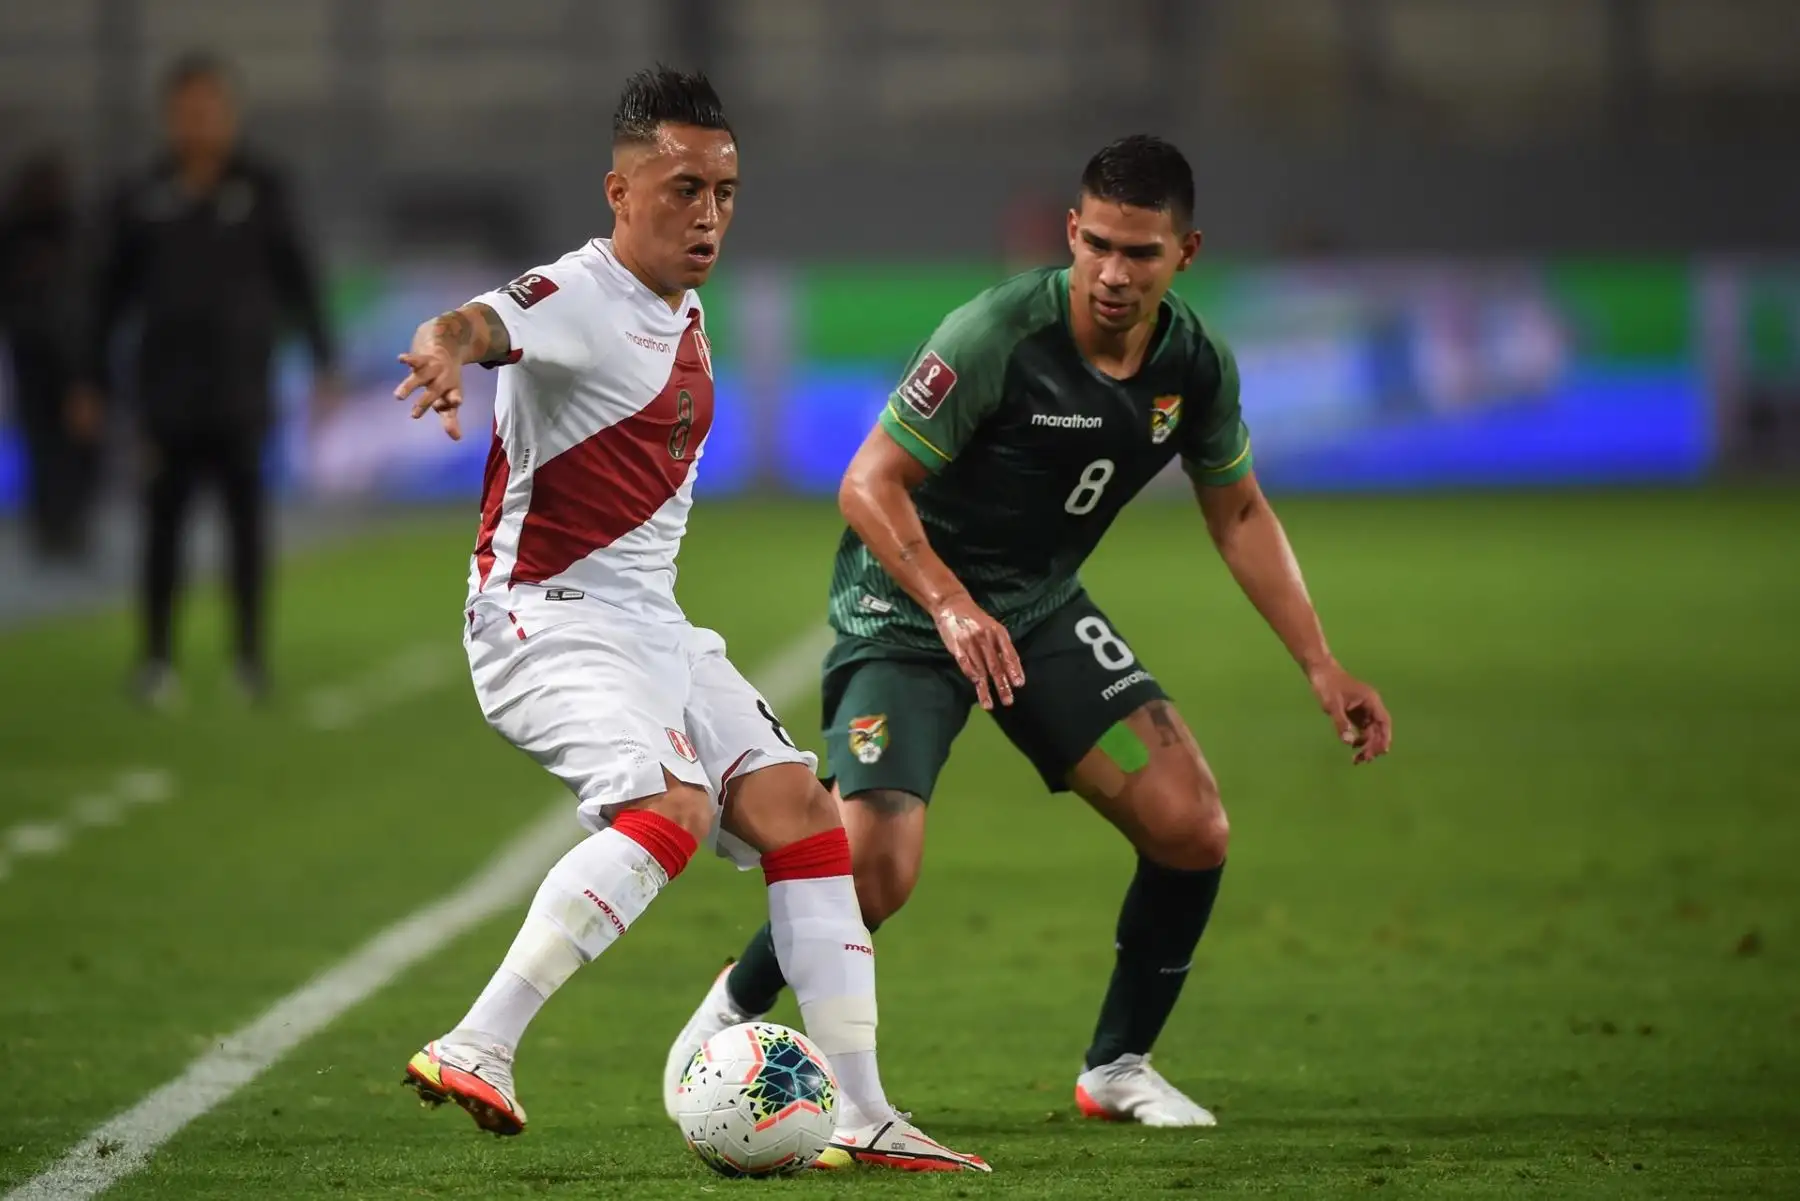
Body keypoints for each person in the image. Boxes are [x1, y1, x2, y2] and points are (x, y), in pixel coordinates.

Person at [665, 135, 1394, 1128]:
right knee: (874, 869)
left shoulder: (1193, 365)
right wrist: (950, 603)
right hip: (907, 609)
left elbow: (1240, 512)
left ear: (1187, 252)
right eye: (1097, 244)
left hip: (1039, 610)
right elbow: (867, 481)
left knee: (1191, 823)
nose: (1113, 272)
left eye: (1140, 252)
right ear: (1071, 234)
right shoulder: (996, 334)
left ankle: (1118, 1065)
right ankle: (730, 1007)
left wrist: (1322, 662)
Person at [391, 67, 986, 1173]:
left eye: (724, 190)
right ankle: (478, 1041)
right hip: (543, 616)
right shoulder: (576, 292)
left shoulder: (687, 305)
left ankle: (862, 1111)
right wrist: (442, 345)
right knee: (667, 807)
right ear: (619, 193)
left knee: (806, 813)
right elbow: (479, 320)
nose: (707, 211)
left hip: (649, 622)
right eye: (681, 189)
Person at [78, 53, 337, 706]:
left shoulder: (262, 189)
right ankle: (156, 661)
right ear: (170, 118)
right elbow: (106, 296)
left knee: (246, 531)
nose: (198, 123)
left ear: (230, 114)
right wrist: (89, 380)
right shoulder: (142, 196)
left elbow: (298, 280)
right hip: (164, 395)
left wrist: (324, 360)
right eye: (186, 111)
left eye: (209, 109)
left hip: (242, 392)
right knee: (161, 530)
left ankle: (248, 659)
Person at [0, 149, 93, 561]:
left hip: (62, 356)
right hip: (45, 355)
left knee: (61, 443)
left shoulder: (73, 233)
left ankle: (63, 524)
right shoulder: (24, 235)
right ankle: (56, 525)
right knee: (52, 443)